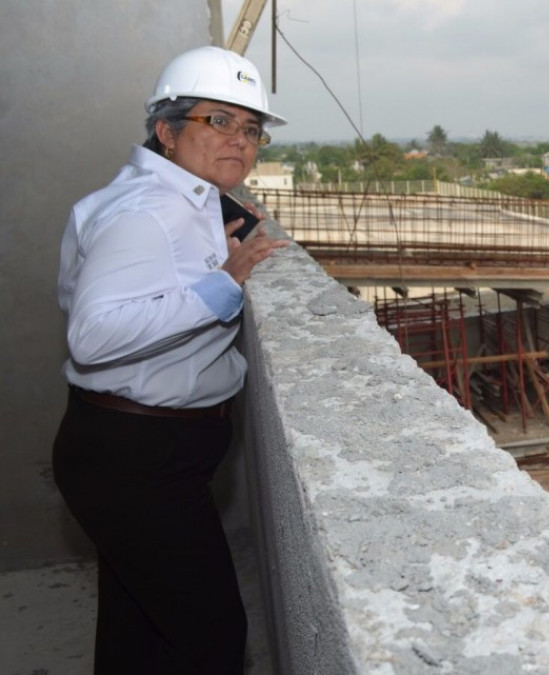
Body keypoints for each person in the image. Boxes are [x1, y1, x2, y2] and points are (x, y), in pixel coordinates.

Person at [53, 46, 289, 673]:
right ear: (166, 129)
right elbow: (94, 334)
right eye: (218, 121)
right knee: (210, 637)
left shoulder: (180, 200)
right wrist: (225, 282)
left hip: (137, 450)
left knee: (138, 627)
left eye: (251, 128)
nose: (240, 140)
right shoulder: (146, 211)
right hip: (135, 458)